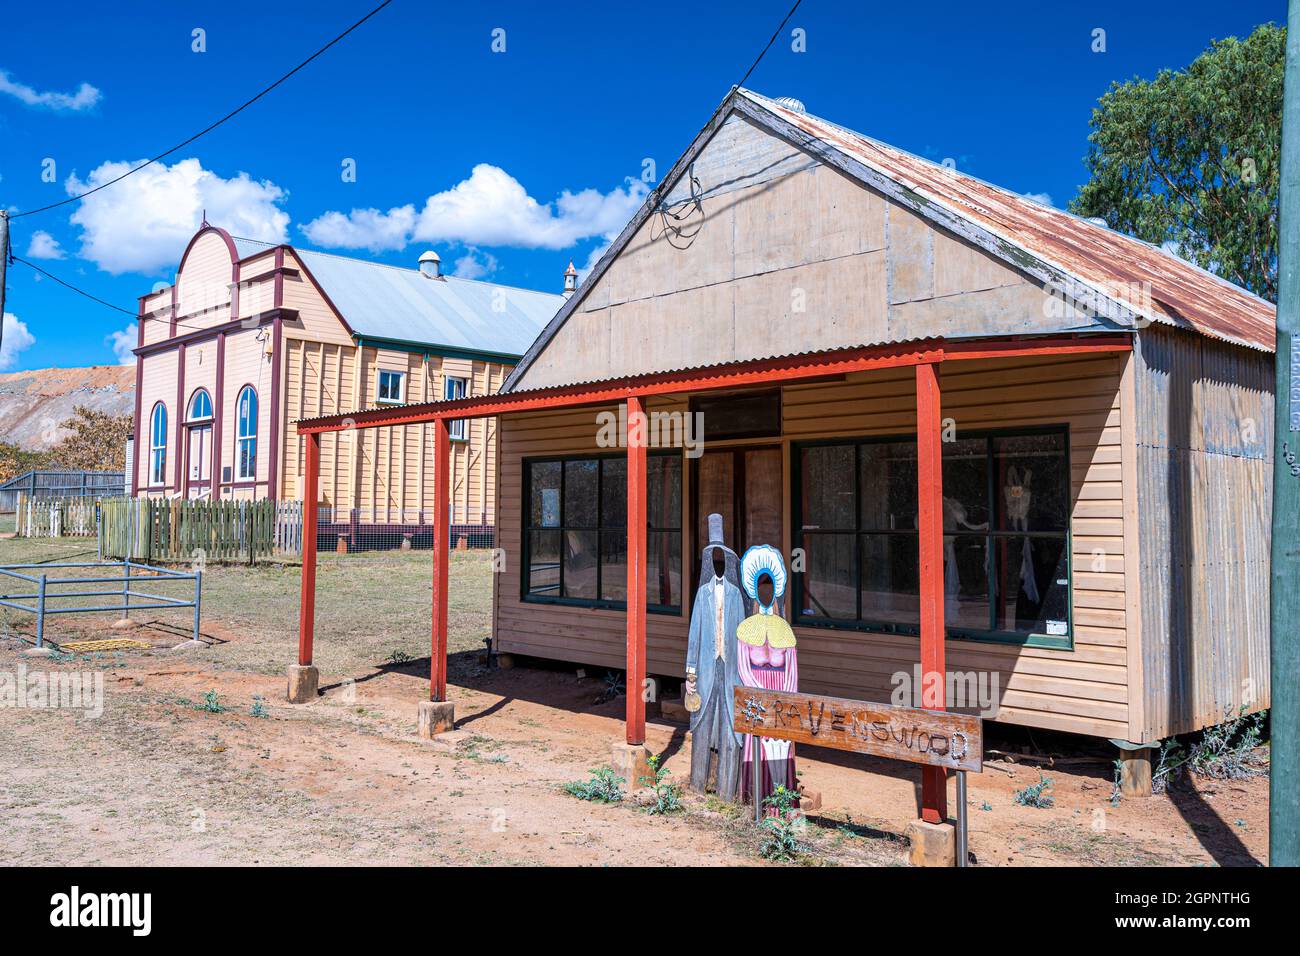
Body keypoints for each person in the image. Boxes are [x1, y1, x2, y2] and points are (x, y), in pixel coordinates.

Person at [684, 514, 745, 801]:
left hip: (731, 670)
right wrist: (691, 672)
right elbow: (695, 632)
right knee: (701, 724)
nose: (718, 565)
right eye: (713, 558)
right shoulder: (702, 595)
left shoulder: (735, 595)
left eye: (721, 558)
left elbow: (742, 636)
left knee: (731, 727)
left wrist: (744, 673)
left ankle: (727, 792)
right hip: (707, 669)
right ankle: (698, 783)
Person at [737, 544, 799, 813]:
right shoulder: (745, 628)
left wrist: (783, 698)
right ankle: (758, 800)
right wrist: (759, 693)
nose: (766, 593)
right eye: (762, 587)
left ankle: (782, 799)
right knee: (756, 747)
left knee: (782, 748)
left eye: (770, 587)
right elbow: (743, 667)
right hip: (756, 698)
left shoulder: (784, 629)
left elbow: (792, 670)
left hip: (780, 699)